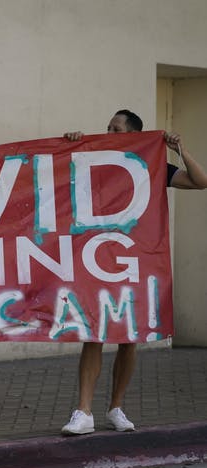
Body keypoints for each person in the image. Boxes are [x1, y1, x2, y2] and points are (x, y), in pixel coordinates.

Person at [61, 109, 207, 435]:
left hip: (133, 261)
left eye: (115, 128)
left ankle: (116, 408)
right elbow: (55, 174)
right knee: (94, 333)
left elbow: (201, 181)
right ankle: (83, 412)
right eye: (107, 126)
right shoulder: (91, 159)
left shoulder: (150, 166)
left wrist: (178, 150)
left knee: (129, 338)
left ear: (130, 135)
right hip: (96, 258)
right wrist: (70, 144)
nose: (108, 131)